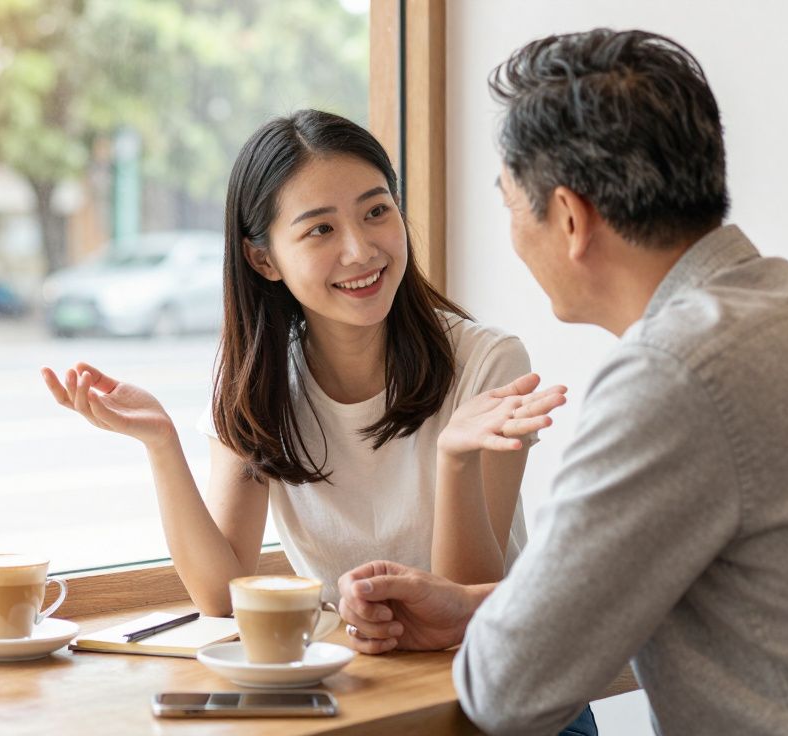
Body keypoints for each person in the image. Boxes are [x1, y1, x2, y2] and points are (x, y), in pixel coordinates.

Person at [335, 29, 788, 735]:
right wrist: (469, 609)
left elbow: (509, 687)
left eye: (507, 202)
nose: (510, 227)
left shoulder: (674, 376)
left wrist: (489, 624)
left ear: (568, 217)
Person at [43, 111, 594, 734]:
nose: (360, 249)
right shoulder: (259, 383)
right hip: (366, 694)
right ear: (264, 259)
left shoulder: (487, 361)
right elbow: (224, 599)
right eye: (320, 229)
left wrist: (456, 460)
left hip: (510, 702)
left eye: (376, 211)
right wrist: (161, 444)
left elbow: (463, 613)